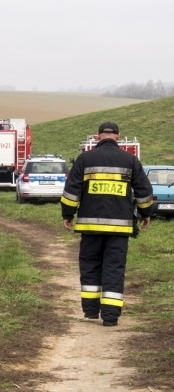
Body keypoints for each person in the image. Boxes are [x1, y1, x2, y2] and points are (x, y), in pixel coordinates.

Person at [61, 122, 153, 327]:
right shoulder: (130, 160)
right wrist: (145, 213)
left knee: (90, 265)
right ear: (118, 136)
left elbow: (71, 190)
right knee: (114, 268)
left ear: (97, 136)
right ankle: (110, 316)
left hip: (89, 227)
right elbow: (144, 192)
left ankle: (91, 311)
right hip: (119, 228)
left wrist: (67, 214)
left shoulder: (85, 159)